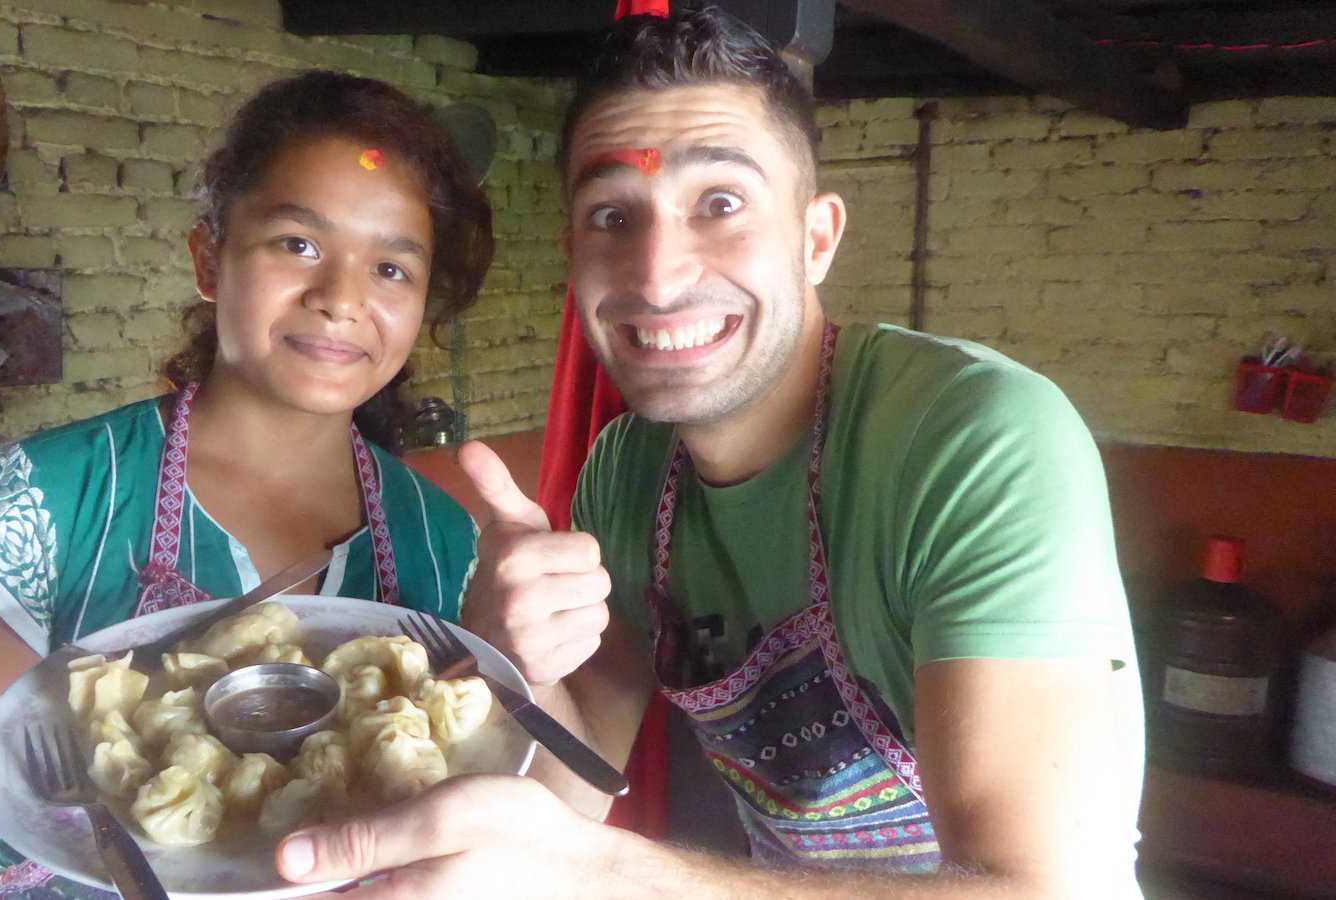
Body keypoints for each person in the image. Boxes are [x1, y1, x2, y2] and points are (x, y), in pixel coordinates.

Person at [271, 6, 1146, 898]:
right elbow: (578, 784)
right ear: (575, 255)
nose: (657, 273)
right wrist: (512, 661)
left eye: (720, 204)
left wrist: (608, 875)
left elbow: (1053, 890)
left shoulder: (972, 441)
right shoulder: (628, 471)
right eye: (614, 215)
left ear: (815, 239)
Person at [0, 70, 494, 900]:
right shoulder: (34, 511)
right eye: (297, 244)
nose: (342, 299)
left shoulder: (442, 541)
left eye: (391, 269)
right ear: (209, 256)